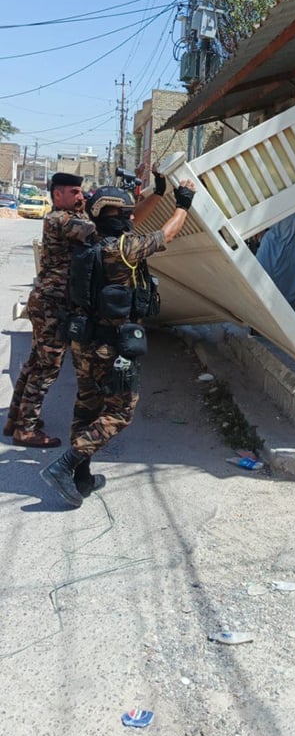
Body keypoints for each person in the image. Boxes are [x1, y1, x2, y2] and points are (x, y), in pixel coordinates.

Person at [40, 178, 196, 508]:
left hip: (84, 341)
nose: (130, 219)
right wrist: (182, 203)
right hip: (111, 347)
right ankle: (64, 466)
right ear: (117, 218)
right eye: (124, 214)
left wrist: (156, 193)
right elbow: (166, 234)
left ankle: (82, 478)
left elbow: (131, 216)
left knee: (87, 407)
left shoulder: (86, 238)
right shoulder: (124, 250)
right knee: (121, 412)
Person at [4, 172, 96, 448]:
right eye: (74, 192)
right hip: (53, 305)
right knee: (47, 368)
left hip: (46, 302)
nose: (80, 197)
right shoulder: (60, 219)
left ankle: (15, 419)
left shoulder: (65, 217)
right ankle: (26, 430)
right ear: (57, 195)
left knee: (34, 363)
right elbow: (96, 231)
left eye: (81, 192)